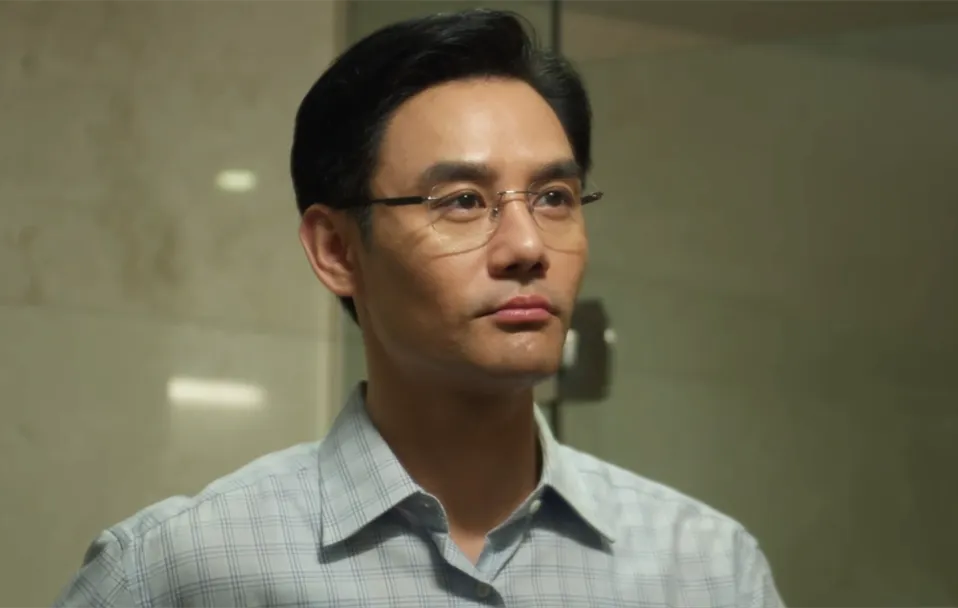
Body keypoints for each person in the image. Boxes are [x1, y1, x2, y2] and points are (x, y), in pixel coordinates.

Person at [54, 9, 785, 607]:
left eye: (554, 197)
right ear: (337, 250)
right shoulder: (174, 574)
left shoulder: (708, 571)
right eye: (462, 201)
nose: (527, 246)